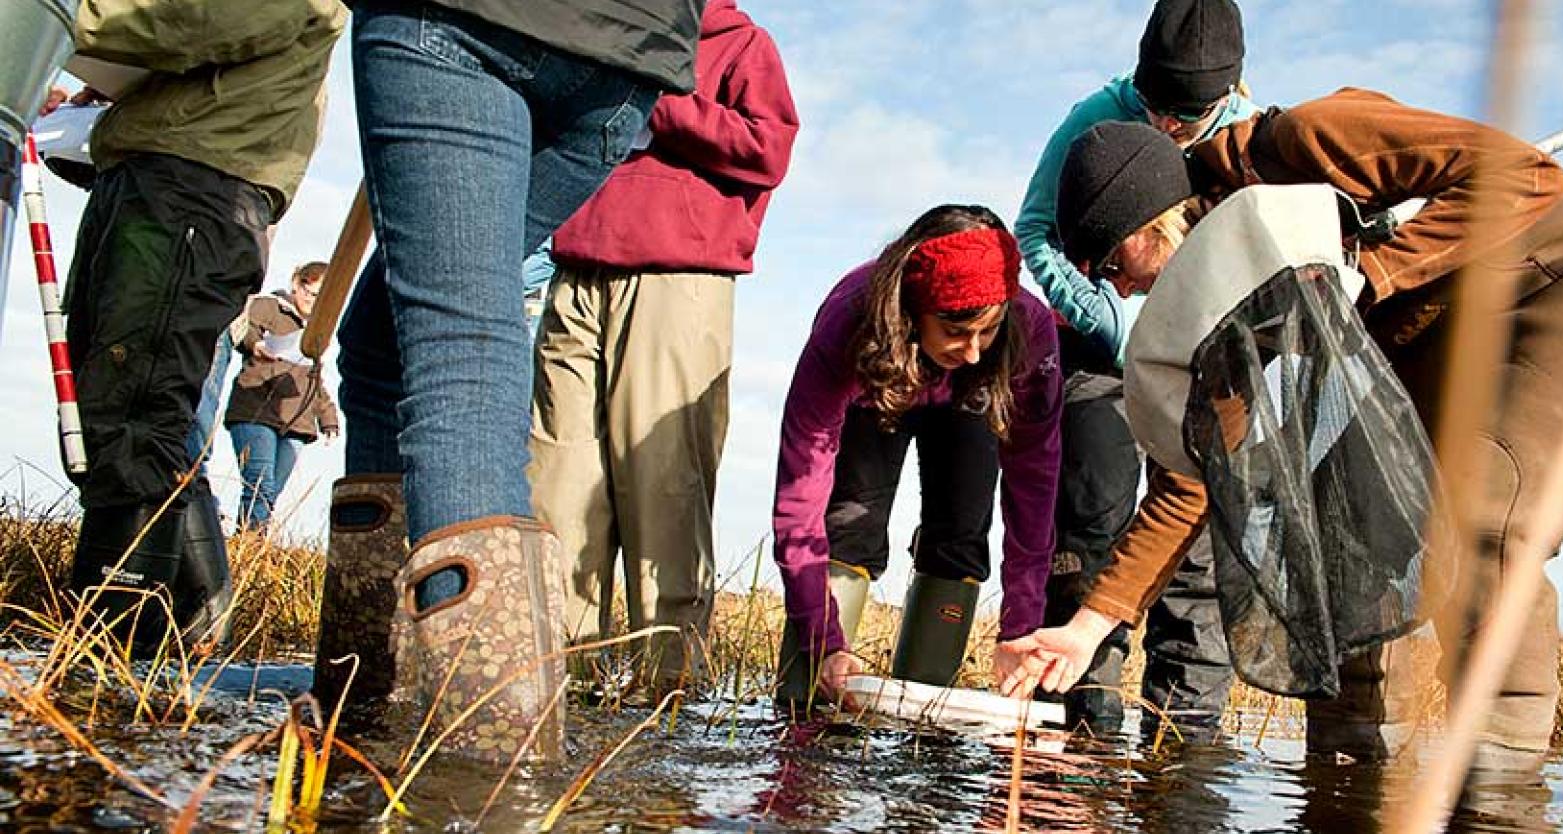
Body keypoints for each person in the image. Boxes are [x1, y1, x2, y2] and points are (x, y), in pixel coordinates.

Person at [1005, 104, 1563, 781]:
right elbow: (1199, 477)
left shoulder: (1301, 142)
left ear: (1156, 218)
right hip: (1426, 342)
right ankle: (1350, 773)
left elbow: (1525, 178)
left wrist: (1371, 272)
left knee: (1482, 519)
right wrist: (1088, 628)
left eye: (1116, 262)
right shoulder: (1216, 307)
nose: (1121, 289)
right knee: (1344, 536)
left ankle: (1499, 789)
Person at [316, 0, 699, 762]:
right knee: (382, 343)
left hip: (462, 20)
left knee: (461, 340)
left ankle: (490, 762)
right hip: (628, 57)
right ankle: (368, 695)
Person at [61, 0, 346, 659]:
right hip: (164, 172)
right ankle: (188, 629)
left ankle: (114, 654)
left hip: (192, 188)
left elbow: (187, 19)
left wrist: (55, 22)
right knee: (117, 410)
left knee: (134, 415)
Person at [529, 0, 799, 696]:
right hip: (576, 268)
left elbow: (769, 149)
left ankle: (668, 697)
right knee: (557, 484)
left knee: (665, 489)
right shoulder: (594, 27)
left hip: (679, 278)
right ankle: (559, 683)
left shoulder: (742, 43)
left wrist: (657, 103)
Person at [1012, 0, 1254, 732]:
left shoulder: (1253, 137)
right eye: (1156, 110)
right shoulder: (1092, 116)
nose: (1168, 130)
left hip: (1203, 369)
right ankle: (1082, 729)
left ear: (1228, 95)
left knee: (1195, 555)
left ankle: (1180, 747)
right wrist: (1111, 321)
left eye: (1188, 118)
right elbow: (1034, 230)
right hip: (1103, 355)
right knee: (1093, 530)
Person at [772, 206, 1062, 706]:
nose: (972, 349)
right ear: (914, 310)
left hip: (972, 401)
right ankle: (809, 694)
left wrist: (1020, 628)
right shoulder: (850, 318)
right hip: (878, 380)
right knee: (850, 523)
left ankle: (924, 722)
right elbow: (799, 497)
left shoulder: (1028, 331)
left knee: (960, 535)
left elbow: (1034, 486)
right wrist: (825, 641)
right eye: (955, 330)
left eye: (986, 330)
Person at [224, 263, 340, 531]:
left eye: (321, 298)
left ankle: (249, 544)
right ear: (296, 284)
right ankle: (249, 546)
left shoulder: (317, 329)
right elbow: (243, 326)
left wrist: (328, 418)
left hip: (297, 423)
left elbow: (315, 379)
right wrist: (256, 344)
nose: (313, 303)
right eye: (310, 294)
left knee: (271, 493)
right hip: (256, 411)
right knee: (259, 484)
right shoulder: (269, 306)